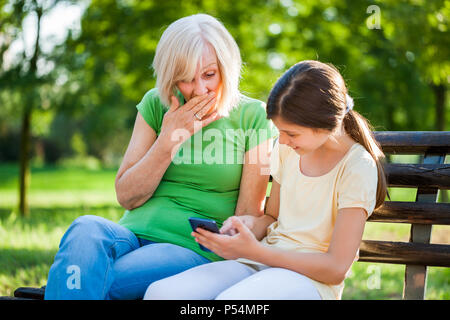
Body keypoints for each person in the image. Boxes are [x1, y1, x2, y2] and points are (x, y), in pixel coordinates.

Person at [44, 14, 278, 300]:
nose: (200, 90)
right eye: (187, 79)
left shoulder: (253, 116)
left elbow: (247, 216)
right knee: (85, 229)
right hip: (130, 235)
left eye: (209, 75)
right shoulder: (156, 104)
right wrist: (168, 139)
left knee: (86, 278)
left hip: (188, 247)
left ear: (226, 69)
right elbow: (126, 197)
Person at [143, 60, 388, 300]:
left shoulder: (357, 167)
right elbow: (271, 218)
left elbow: (336, 269)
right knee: (161, 293)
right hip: (261, 261)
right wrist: (244, 227)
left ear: (326, 124)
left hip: (311, 281)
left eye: (291, 133)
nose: (281, 141)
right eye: (279, 131)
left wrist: (256, 251)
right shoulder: (289, 150)